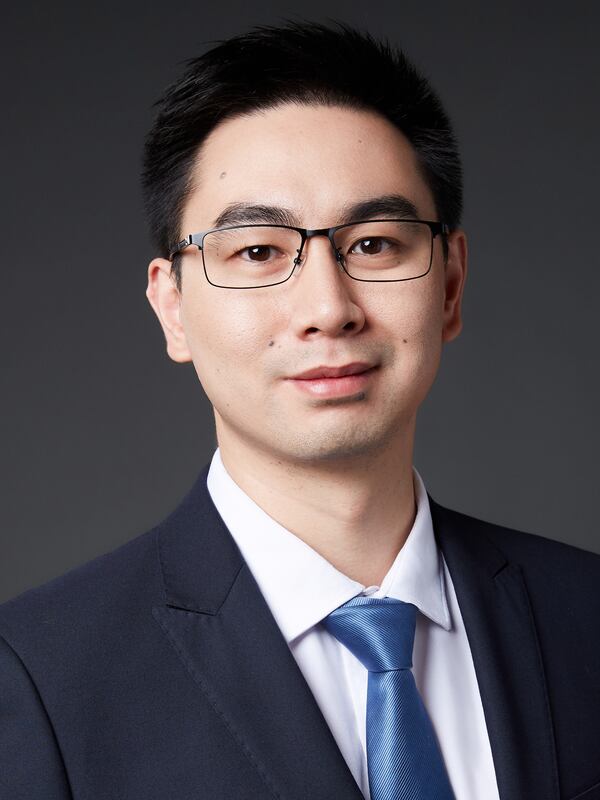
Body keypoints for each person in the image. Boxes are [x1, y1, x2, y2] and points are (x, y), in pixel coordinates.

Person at [1, 20, 599, 800]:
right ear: (172, 306)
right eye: (259, 251)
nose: (328, 307)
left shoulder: (584, 615)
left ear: (450, 284)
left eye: (377, 244)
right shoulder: (38, 678)